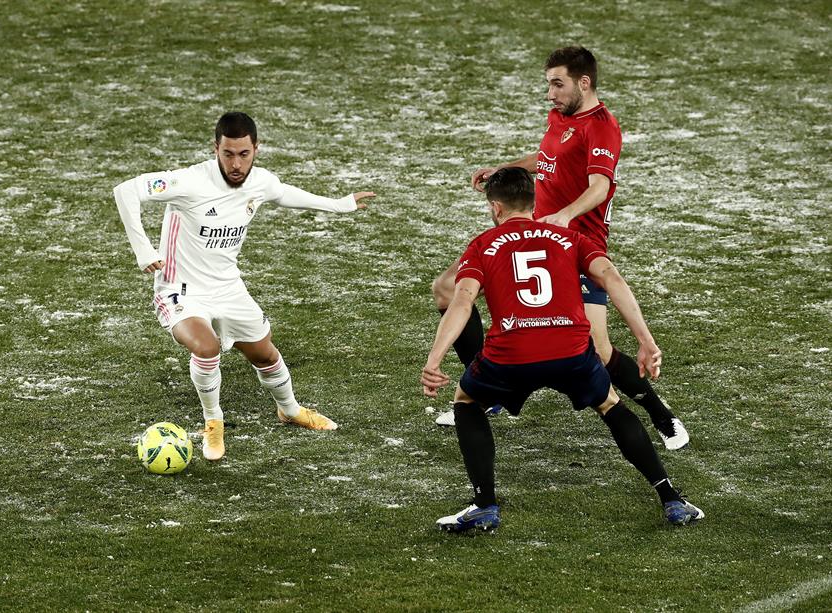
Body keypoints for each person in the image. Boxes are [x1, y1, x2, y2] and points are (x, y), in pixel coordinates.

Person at [432, 46, 688, 451]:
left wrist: (565, 216)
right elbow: (547, 158)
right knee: (447, 288)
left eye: (557, 84)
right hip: (531, 232)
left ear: (583, 83)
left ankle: (660, 414)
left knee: (599, 351)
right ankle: (491, 391)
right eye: (549, 84)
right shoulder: (562, 116)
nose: (550, 93)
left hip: (575, 243)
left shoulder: (602, 128)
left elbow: (600, 186)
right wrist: (506, 168)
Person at [422, 167, 703, 532]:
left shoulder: (482, 244)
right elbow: (612, 279)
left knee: (467, 400)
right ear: (533, 202)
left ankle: (484, 504)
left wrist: (434, 359)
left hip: (511, 354)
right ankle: (671, 499)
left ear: (495, 208)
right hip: (571, 351)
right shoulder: (569, 238)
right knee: (610, 404)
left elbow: (461, 300)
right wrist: (646, 340)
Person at [114, 111, 375, 460]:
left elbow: (283, 193)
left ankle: (290, 410)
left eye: (244, 154)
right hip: (181, 289)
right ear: (216, 149)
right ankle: (213, 423)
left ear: (256, 149)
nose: (236, 164)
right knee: (206, 347)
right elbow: (127, 190)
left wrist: (339, 205)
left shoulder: (260, 182)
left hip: (228, 288)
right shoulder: (188, 182)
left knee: (264, 353)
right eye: (227, 154)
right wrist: (143, 249)